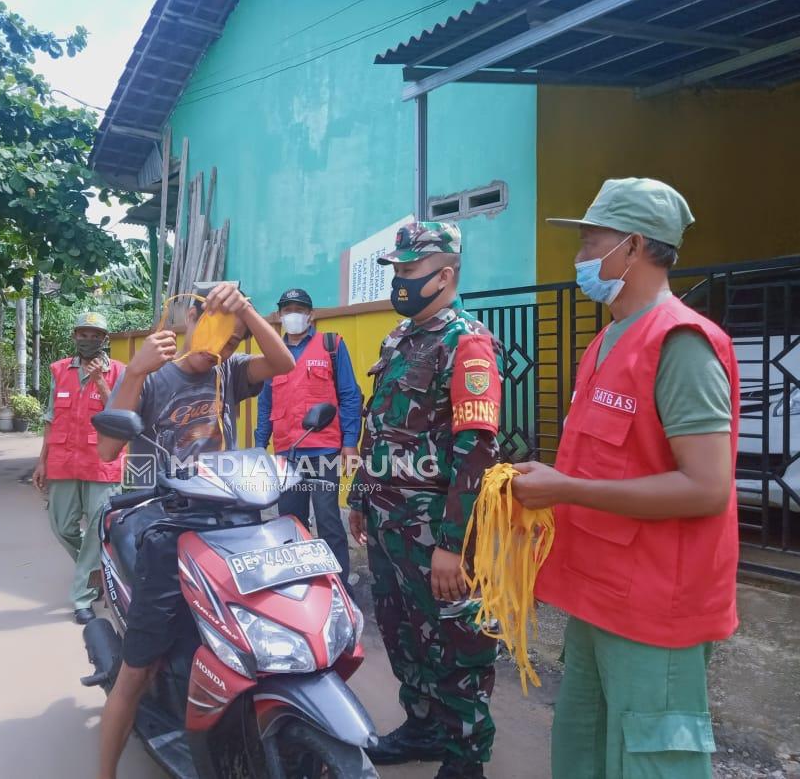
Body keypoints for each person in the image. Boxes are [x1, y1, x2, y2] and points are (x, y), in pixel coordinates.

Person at [513, 178, 740, 779]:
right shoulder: (608, 340)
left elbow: (706, 487)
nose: (580, 257)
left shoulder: (681, 343)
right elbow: (607, 463)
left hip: (654, 605)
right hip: (597, 595)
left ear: (634, 247)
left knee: (651, 760)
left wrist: (564, 488)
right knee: (582, 749)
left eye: (591, 242)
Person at [94, 281, 295, 779]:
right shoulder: (156, 377)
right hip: (163, 521)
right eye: (216, 335)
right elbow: (104, 450)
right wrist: (137, 368)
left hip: (226, 519)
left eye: (233, 341)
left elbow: (284, 363)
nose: (221, 350)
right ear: (189, 323)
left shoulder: (231, 373)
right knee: (137, 669)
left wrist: (246, 306)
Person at [347, 221, 504, 779]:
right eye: (397, 271)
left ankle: (465, 756)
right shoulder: (399, 340)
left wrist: (452, 546)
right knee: (402, 631)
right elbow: (379, 427)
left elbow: (477, 450)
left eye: (411, 271)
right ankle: (422, 725)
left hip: (438, 529)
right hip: (390, 524)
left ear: (446, 274)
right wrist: (361, 496)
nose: (401, 282)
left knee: (456, 642)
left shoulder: (467, 342)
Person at [254, 287, 363, 589]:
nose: (293, 315)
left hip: (324, 449)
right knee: (289, 521)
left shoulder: (331, 345)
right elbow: (266, 403)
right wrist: (259, 446)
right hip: (286, 452)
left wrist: (350, 442)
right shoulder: (273, 354)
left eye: (299, 309)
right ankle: (296, 584)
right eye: (287, 309)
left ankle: (338, 584)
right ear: (279, 316)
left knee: (328, 520)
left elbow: (349, 395)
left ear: (310, 315)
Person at [32, 312, 125, 625]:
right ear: (74, 337)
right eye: (82, 334)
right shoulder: (60, 371)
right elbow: (50, 419)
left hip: (102, 462)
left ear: (104, 339)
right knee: (61, 526)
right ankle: (95, 571)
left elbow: (120, 413)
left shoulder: (119, 372)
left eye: (95, 335)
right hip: (63, 460)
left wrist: (100, 381)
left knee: (97, 529)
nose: (88, 340)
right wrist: (42, 461)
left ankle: (83, 597)